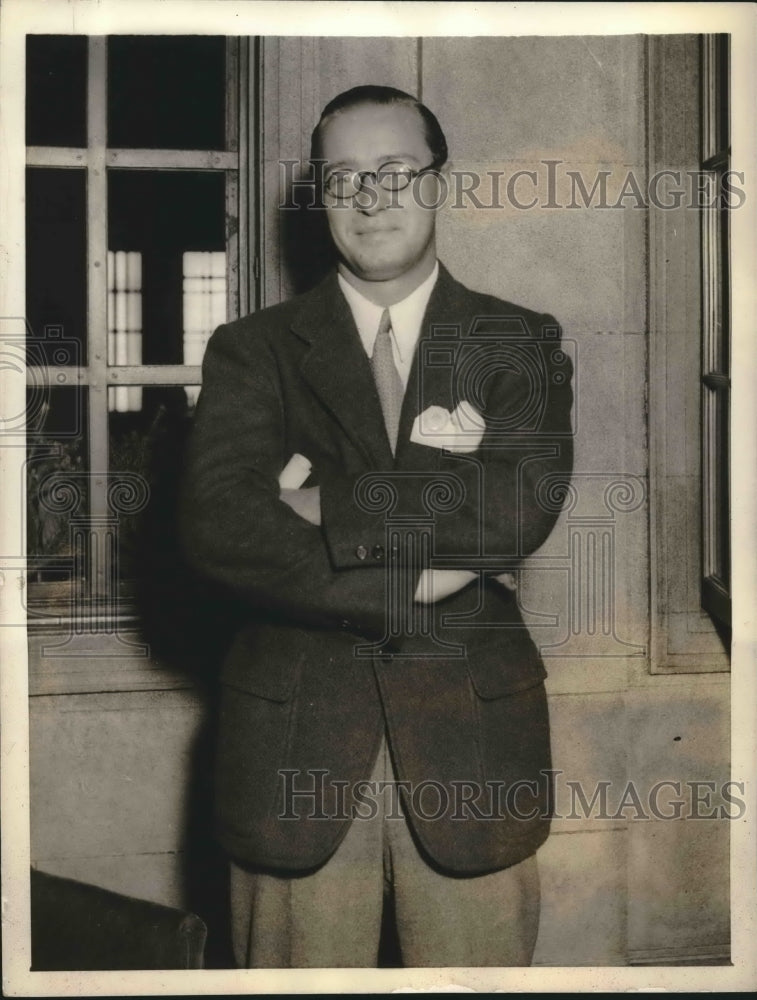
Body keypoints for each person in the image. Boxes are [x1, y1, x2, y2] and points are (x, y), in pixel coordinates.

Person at [179, 85, 573, 968]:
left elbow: (516, 509)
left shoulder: (517, 341)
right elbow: (216, 525)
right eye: (344, 177)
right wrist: (416, 566)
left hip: (470, 741)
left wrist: (318, 503)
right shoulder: (252, 349)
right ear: (320, 198)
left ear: (440, 184)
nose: (371, 197)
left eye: (396, 171)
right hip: (291, 748)